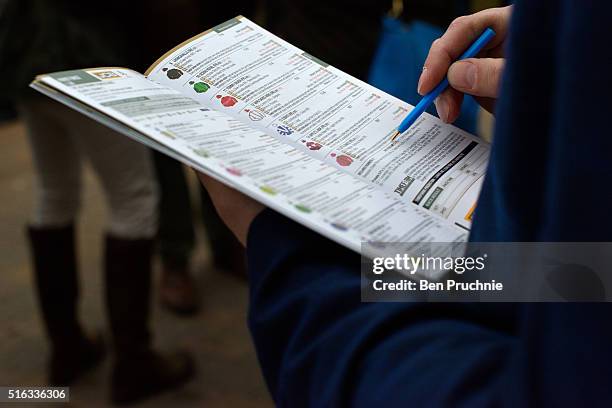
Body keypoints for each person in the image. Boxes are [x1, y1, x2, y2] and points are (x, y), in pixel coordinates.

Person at [198, 2, 612, 406]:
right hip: (531, 273)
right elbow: (578, 276)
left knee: (391, 273)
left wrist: (285, 255)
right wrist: (558, 42)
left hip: (518, 281)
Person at [0, 0, 194, 403]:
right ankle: (134, 363)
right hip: (89, 58)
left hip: (25, 53)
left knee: (53, 194)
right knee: (135, 198)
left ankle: (67, 348)